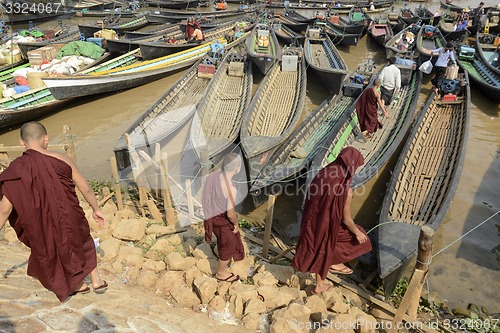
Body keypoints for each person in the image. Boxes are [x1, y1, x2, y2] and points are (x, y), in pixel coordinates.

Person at [0, 122, 108, 302]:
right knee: (84, 241)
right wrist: (96, 209)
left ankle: (77, 285)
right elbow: (85, 188)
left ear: (21, 142)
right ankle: (96, 281)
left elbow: (4, 209)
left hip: (41, 219)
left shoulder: (16, 170)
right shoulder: (62, 159)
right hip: (71, 214)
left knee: (54, 246)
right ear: (46, 138)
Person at [292, 147, 372, 294]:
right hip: (326, 226)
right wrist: (357, 233)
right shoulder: (345, 189)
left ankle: (322, 281)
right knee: (360, 237)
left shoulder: (322, 174)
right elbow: (346, 220)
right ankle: (332, 264)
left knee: (320, 247)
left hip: (312, 223)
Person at [202, 153, 245, 283]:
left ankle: (220, 252)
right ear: (237, 169)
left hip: (212, 216)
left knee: (224, 240)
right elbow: (230, 214)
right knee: (229, 245)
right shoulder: (231, 189)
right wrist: (236, 223)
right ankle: (220, 273)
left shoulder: (214, 176)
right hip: (221, 221)